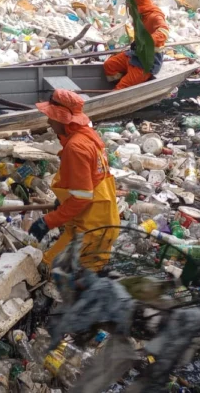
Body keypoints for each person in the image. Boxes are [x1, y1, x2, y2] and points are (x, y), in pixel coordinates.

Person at [28, 89, 119, 270]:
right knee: (90, 273)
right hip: (103, 220)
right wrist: (62, 202)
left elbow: (82, 197)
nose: (48, 122)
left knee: (49, 268)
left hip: (91, 229)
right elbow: (91, 180)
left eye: (51, 117)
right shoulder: (87, 135)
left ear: (63, 119)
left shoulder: (76, 148)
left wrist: (48, 221)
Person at [103, 0, 169, 90]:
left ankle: (123, 87)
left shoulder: (155, 16)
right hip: (135, 53)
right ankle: (124, 81)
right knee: (109, 65)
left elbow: (164, 32)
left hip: (148, 59)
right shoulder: (140, 16)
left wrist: (144, 41)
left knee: (121, 88)